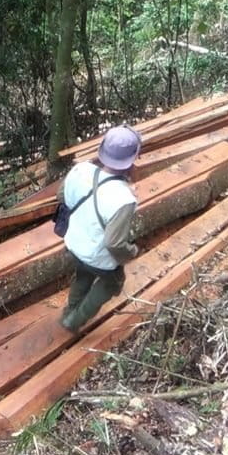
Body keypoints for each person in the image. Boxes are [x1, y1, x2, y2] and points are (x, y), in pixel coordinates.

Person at [56, 125, 142, 332]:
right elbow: (114, 243)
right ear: (132, 160)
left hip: (73, 244)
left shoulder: (80, 169)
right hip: (98, 257)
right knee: (113, 282)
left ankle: (70, 310)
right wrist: (132, 252)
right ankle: (74, 320)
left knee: (83, 273)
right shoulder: (124, 199)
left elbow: (62, 197)